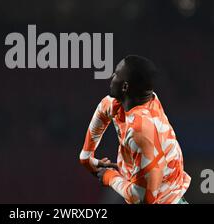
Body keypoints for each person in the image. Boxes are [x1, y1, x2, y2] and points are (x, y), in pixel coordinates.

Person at [79, 55, 191, 204]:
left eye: (116, 74)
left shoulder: (143, 131)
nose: (112, 77)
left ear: (125, 87)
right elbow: (103, 110)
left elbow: (145, 199)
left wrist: (109, 177)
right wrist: (87, 157)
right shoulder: (123, 103)